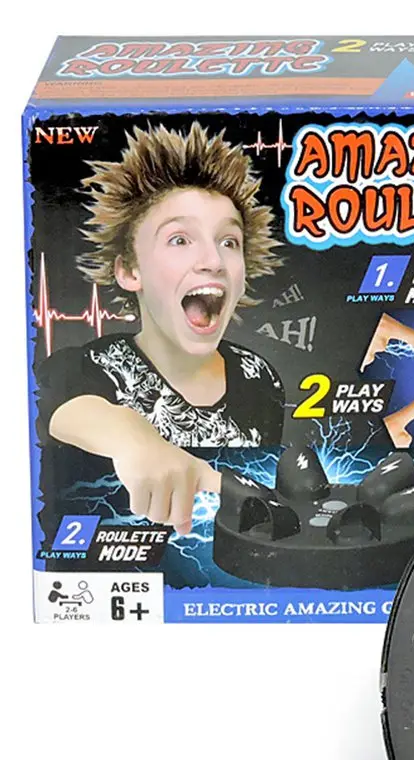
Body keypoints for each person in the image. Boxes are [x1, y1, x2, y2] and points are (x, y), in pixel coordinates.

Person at [37, 122, 285, 535]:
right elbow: (62, 407)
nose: (214, 261)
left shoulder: (260, 378)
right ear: (130, 271)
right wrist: (136, 439)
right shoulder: (90, 367)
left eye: (229, 242)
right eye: (180, 240)